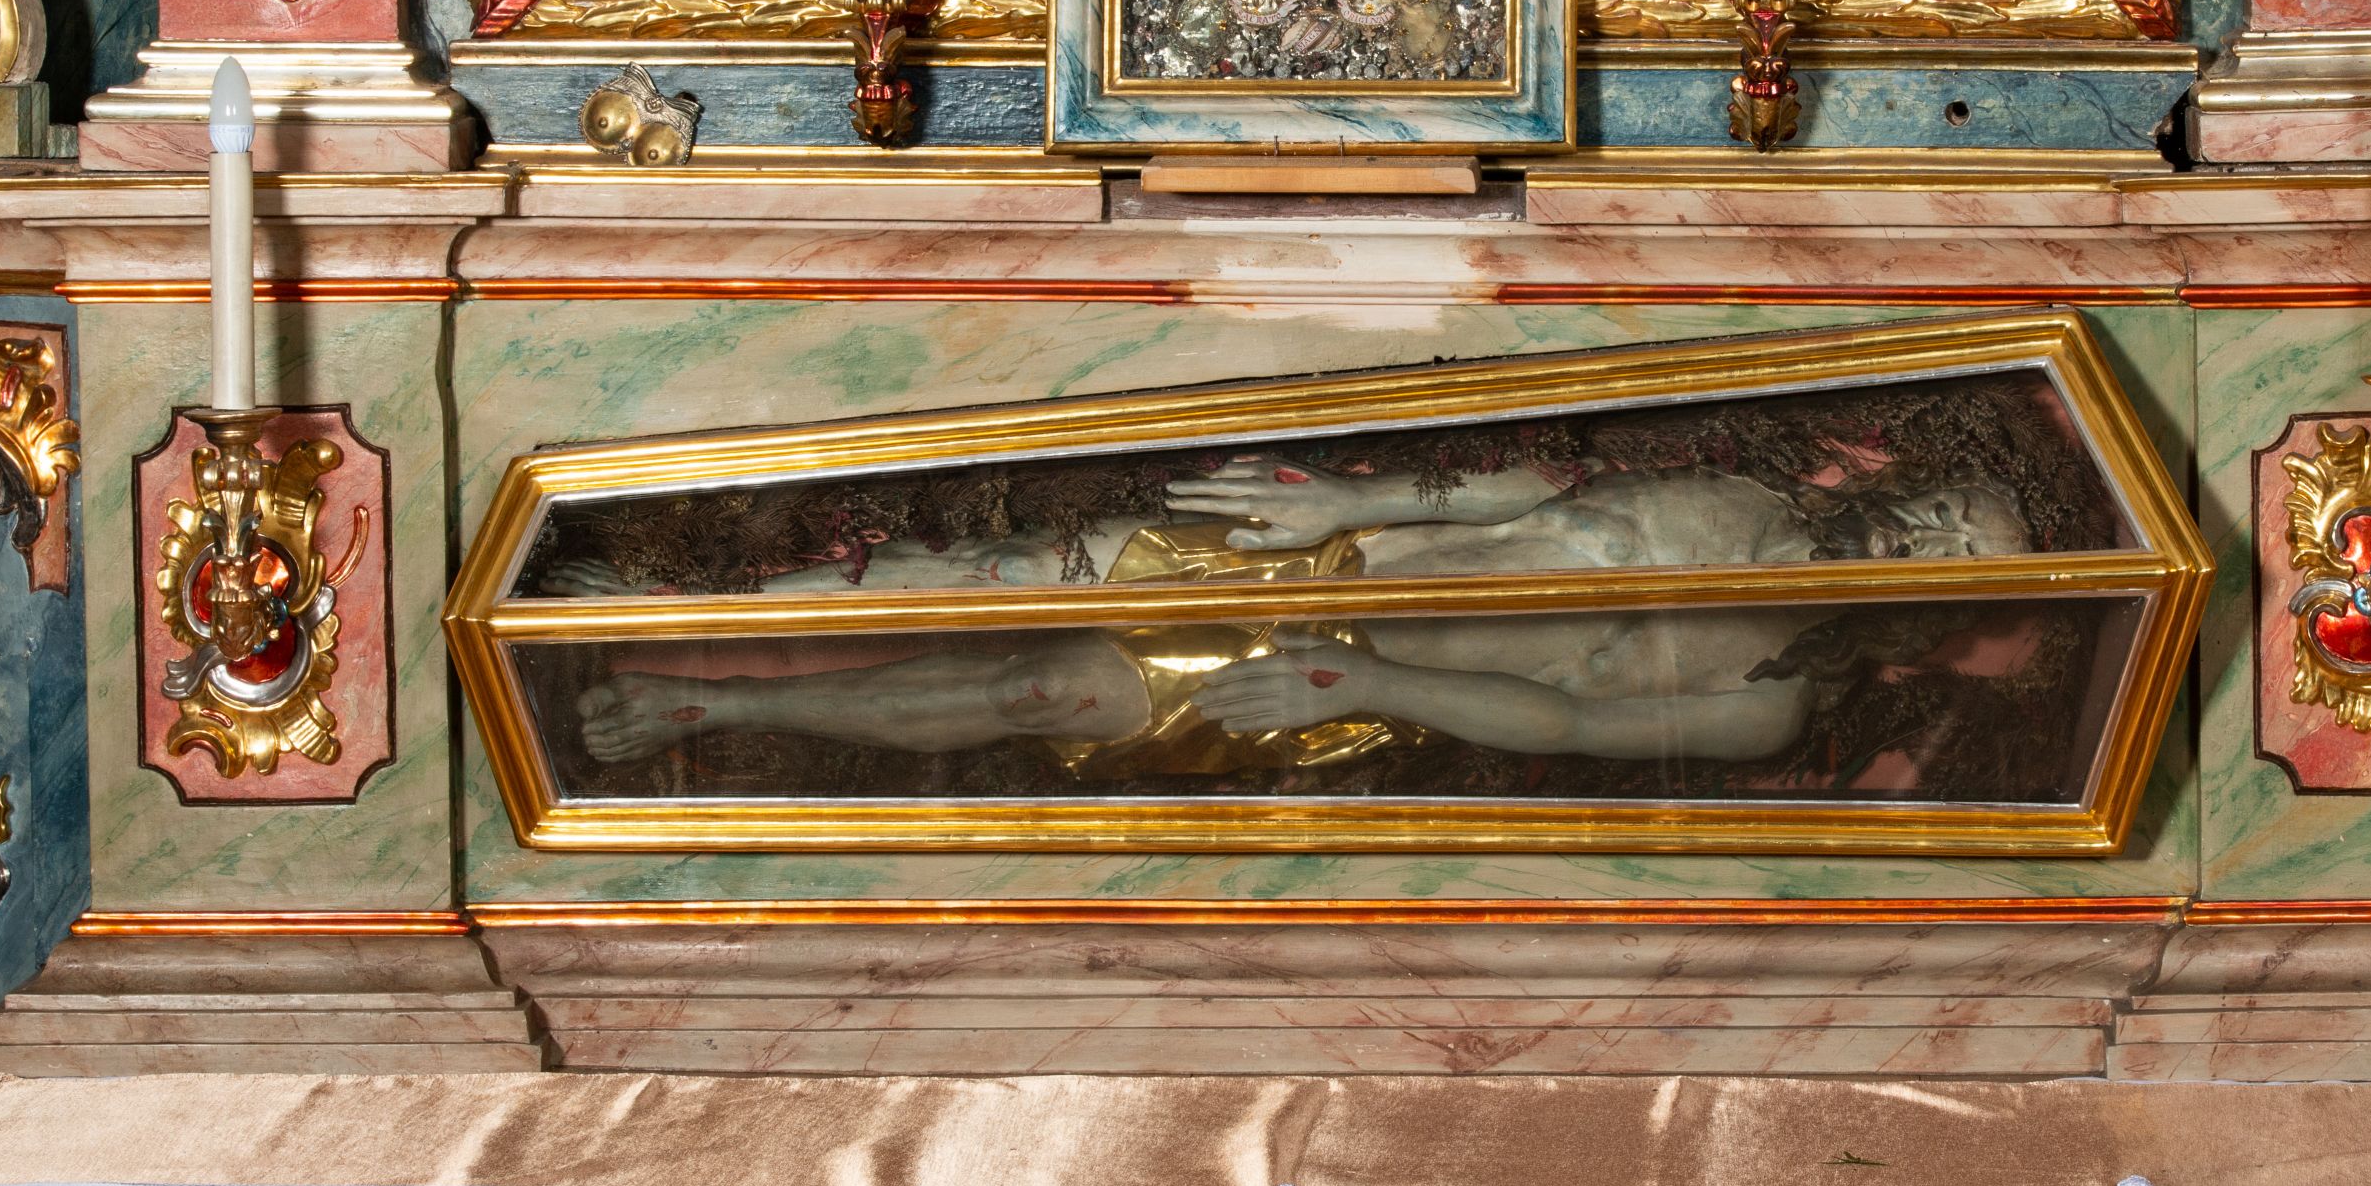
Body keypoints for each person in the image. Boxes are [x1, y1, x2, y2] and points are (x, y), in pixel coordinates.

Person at [561, 453, 2038, 779]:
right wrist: (1350, 497)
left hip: (1354, 674)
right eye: (1935, 513)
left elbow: (1565, 721)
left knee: (1031, 692)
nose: (1913, 542)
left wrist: (1363, 681)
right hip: (1338, 552)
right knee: (1012, 569)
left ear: (1935, 609)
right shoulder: (1738, 495)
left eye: (1946, 557)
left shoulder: (1771, 701)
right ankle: (675, 594)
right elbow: (1546, 487)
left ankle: (715, 700)